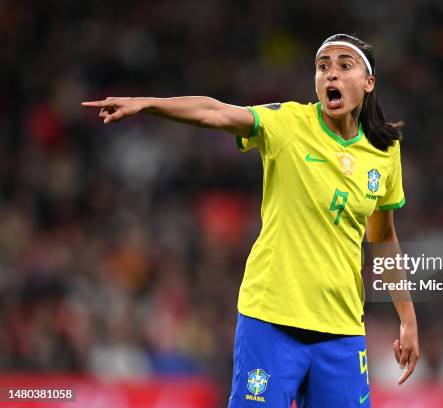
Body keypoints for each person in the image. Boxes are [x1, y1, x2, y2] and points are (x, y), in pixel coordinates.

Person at [82, 33, 419, 407]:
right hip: (271, 321)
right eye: (323, 67)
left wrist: (407, 317)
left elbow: (384, 237)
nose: (331, 75)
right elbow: (217, 111)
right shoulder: (289, 123)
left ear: (368, 82)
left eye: (344, 66)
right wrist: (148, 104)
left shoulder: (384, 152)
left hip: (341, 330)